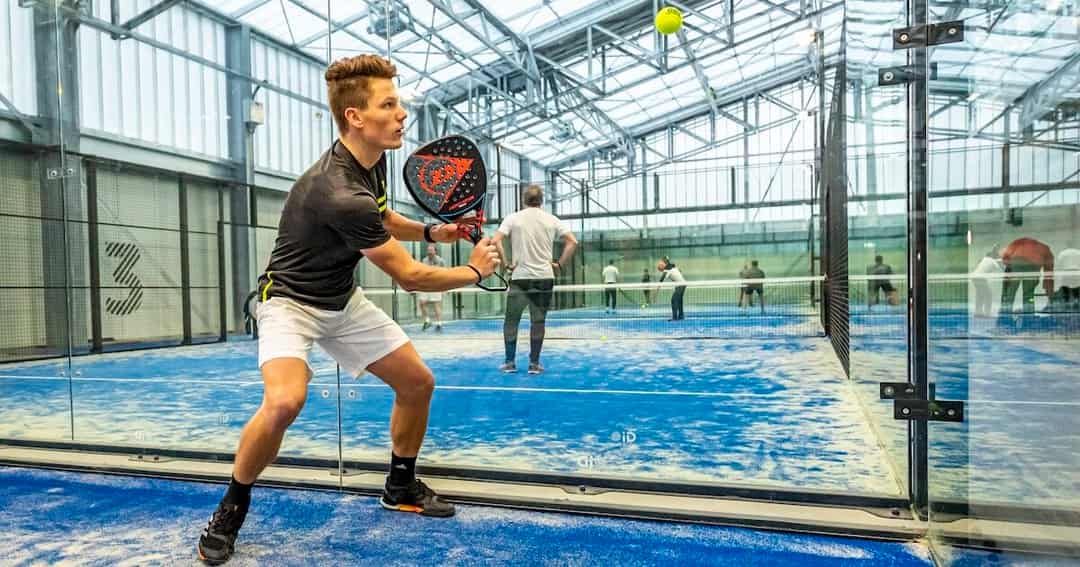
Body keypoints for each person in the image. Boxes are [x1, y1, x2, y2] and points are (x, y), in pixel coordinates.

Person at [196, 55, 500, 565]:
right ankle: (231, 506)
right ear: (355, 117)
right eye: (389, 104)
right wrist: (475, 271)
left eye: (398, 102)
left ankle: (400, 485)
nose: (402, 114)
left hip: (340, 299)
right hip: (289, 302)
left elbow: (381, 216)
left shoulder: (371, 159)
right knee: (285, 402)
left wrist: (431, 231)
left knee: (417, 382)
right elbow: (410, 277)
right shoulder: (336, 190)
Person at [492, 185, 578, 375]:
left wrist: (506, 262)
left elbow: (496, 240)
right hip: (544, 278)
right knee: (538, 322)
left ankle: (509, 363)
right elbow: (573, 242)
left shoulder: (513, 218)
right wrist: (559, 264)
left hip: (519, 278)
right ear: (542, 200)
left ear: (524, 200)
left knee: (511, 321)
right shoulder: (552, 219)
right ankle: (534, 364)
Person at [999, 237, 1054, 314]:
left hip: (1016, 263)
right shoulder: (1045, 248)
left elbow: (1005, 257)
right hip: (1033, 266)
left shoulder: (1019, 242)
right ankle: (1029, 314)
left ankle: (1005, 314)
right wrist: (1048, 290)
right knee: (1028, 295)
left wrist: (1010, 269)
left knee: (1010, 293)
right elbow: (1049, 273)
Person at [417, 244, 445, 331]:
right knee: (422, 302)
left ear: (435, 251)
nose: (429, 252)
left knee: (436, 304)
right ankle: (427, 320)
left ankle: (439, 324)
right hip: (426, 285)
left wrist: (445, 287)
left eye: (431, 250)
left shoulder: (440, 261)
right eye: (428, 250)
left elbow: (445, 274)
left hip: (436, 285)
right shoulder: (424, 260)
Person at [972, 246, 1002, 318]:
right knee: (988, 295)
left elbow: (980, 261)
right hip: (980, 278)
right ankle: (987, 313)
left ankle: (977, 312)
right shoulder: (993, 261)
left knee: (980, 295)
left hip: (974, 277)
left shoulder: (985, 259)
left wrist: (995, 250)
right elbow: (1002, 267)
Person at [657, 257, 686, 321]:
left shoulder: (667, 268)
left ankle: (675, 317)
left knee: (674, 300)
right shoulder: (672, 266)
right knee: (679, 300)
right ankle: (681, 316)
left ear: (664, 263)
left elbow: (662, 278)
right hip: (683, 284)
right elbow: (680, 270)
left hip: (680, 285)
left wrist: (658, 287)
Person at [1058, 247, 1080, 311]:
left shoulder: (1062, 253)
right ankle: (1076, 301)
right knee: (1077, 289)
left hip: (1066, 272)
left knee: (1065, 289)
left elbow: (1060, 264)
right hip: (1076, 272)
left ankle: (1066, 302)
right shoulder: (1078, 252)